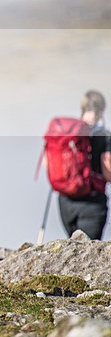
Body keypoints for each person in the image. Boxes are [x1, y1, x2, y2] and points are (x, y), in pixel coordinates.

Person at [58, 90, 111, 239]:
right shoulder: (104, 135)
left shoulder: (68, 133)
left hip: (66, 203)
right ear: (101, 111)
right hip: (92, 204)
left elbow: (47, 164)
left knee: (73, 248)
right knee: (88, 252)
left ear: (82, 108)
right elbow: (108, 171)